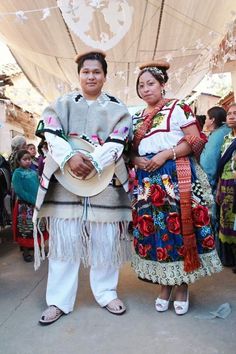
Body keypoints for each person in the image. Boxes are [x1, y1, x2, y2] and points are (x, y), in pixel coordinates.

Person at [33, 50, 132, 325]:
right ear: (79, 75)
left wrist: (94, 163)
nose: (91, 76)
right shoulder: (61, 104)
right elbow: (51, 134)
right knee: (65, 241)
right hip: (67, 180)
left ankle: (106, 293)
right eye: (86, 71)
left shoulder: (117, 107)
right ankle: (58, 301)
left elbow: (118, 142)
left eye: (96, 72)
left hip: (104, 180)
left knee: (106, 240)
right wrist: (70, 158)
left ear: (104, 76)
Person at [130, 60, 222, 315]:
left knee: (179, 229)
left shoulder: (177, 107)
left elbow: (194, 141)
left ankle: (181, 286)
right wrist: (136, 159)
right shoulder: (137, 117)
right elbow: (131, 151)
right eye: (141, 85)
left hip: (175, 175)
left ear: (162, 85)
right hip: (147, 181)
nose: (146, 89)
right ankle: (164, 285)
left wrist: (165, 155)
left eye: (151, 83)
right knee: (156, 231)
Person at [200, 107, 230, 258]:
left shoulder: (218, 135)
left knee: (214, 217)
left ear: (212, 120)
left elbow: (208, 164)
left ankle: (216, 254)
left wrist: (203, 182)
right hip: (223, 181)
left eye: (206, 117)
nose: (205, 120)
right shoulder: (224, 132)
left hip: (214, 183)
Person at [12, 150, 48, 262]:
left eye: (29, 159)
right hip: (25, 207)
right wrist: (32, 200)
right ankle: (26, 252)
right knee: (26, 229)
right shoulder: (17, 173)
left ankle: (40, 247)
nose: (28, 161)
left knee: (38, 227)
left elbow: (38, 186)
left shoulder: (33, 172)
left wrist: (41, 198)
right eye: (24, 159)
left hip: (37, 204)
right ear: (19, 161)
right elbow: (19, 190)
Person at [217, 103, 236, 273]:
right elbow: (222, 166)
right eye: (229, 113)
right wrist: (218, 187)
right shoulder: (226, 139)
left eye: (235, 113)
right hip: (225, 185)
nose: (231, 116)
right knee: (227, 221)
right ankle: (230, 258)